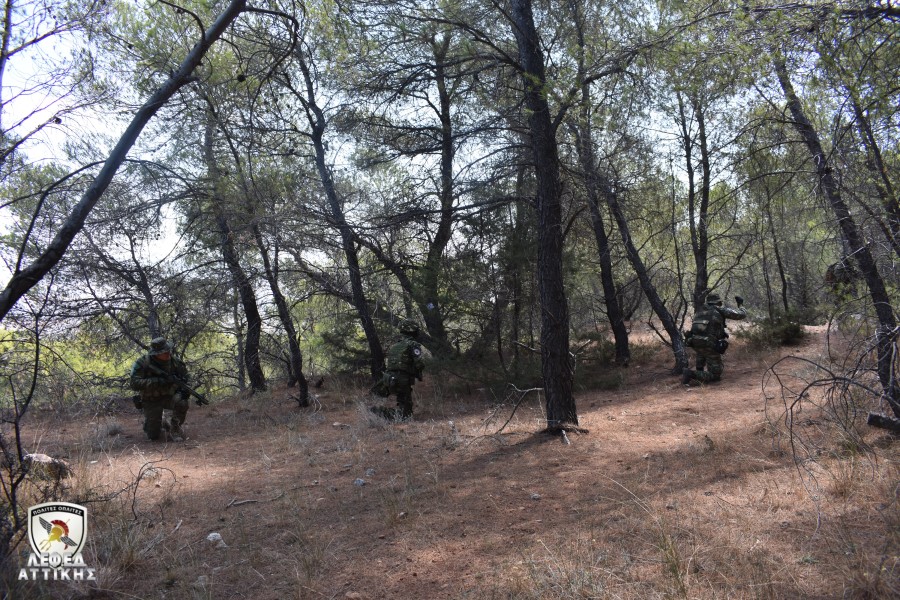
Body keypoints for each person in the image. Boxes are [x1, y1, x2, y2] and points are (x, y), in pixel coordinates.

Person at [130, 337, 191, 441]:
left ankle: (175, 428)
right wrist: (157, 381)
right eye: (164, 352)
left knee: (182, 402)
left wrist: (185, 391)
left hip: (170, 397)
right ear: (155, 354)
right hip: (151, 400)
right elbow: (134, 384)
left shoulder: (176, 362)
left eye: (168, 350)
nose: (167, 353)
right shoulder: (143, 363)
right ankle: (158, 422)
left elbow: (187, 378)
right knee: (153, 436)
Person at [682, 293, 746, 385]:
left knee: (702, 351)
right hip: (708, 344)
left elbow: (703, 328)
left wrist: (720, 332)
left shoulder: (699, 312)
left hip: (694, 342)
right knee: (715, 376)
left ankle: (699, 372)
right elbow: (741, 314)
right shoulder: (719, 309)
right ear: (718, 302)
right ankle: (691, 374)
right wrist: (740, 304)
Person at [371, 319, 425, 420]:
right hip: (402, 379)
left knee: (404, 404)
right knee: (406, 416)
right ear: (413, 330)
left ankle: (378, 412)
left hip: (389, 378)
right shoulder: (413, 344)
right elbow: (419, 364)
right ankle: (378, 412)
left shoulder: (395, 346)